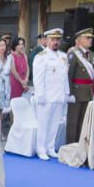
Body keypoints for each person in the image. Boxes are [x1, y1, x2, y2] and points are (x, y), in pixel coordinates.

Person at [33, 29, 69, 160]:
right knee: (43, 124)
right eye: (52, 40)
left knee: (54, 124)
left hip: (59, 96)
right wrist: (40, 95)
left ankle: (50, 147)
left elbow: (64, 77)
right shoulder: (41, 57)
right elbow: (38, 78)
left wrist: (66, 93)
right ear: (47, 41)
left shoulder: (63, 56)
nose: (55, 42)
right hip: (46, 97)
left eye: (57, 40)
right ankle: (40, 148)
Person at [66, 28, 94, 144]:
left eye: (91, 38)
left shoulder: (90, 54)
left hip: (88, 92)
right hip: (76, 92)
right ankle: (71, 146)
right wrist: (70, 93)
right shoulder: (73, 54)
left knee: (84, 121)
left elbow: (92, 76)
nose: (90, 40)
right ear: (78, 40)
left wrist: (93, 91)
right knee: (73, 121)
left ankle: (80, 145)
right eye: (87, 38)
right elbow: (69, 75)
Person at [0, 38, 12, 119]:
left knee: (1, 109)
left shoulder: (8, 59)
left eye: (3, 45)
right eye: (0, 45)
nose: (2, 47)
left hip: (6, 86)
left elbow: (12, 72)